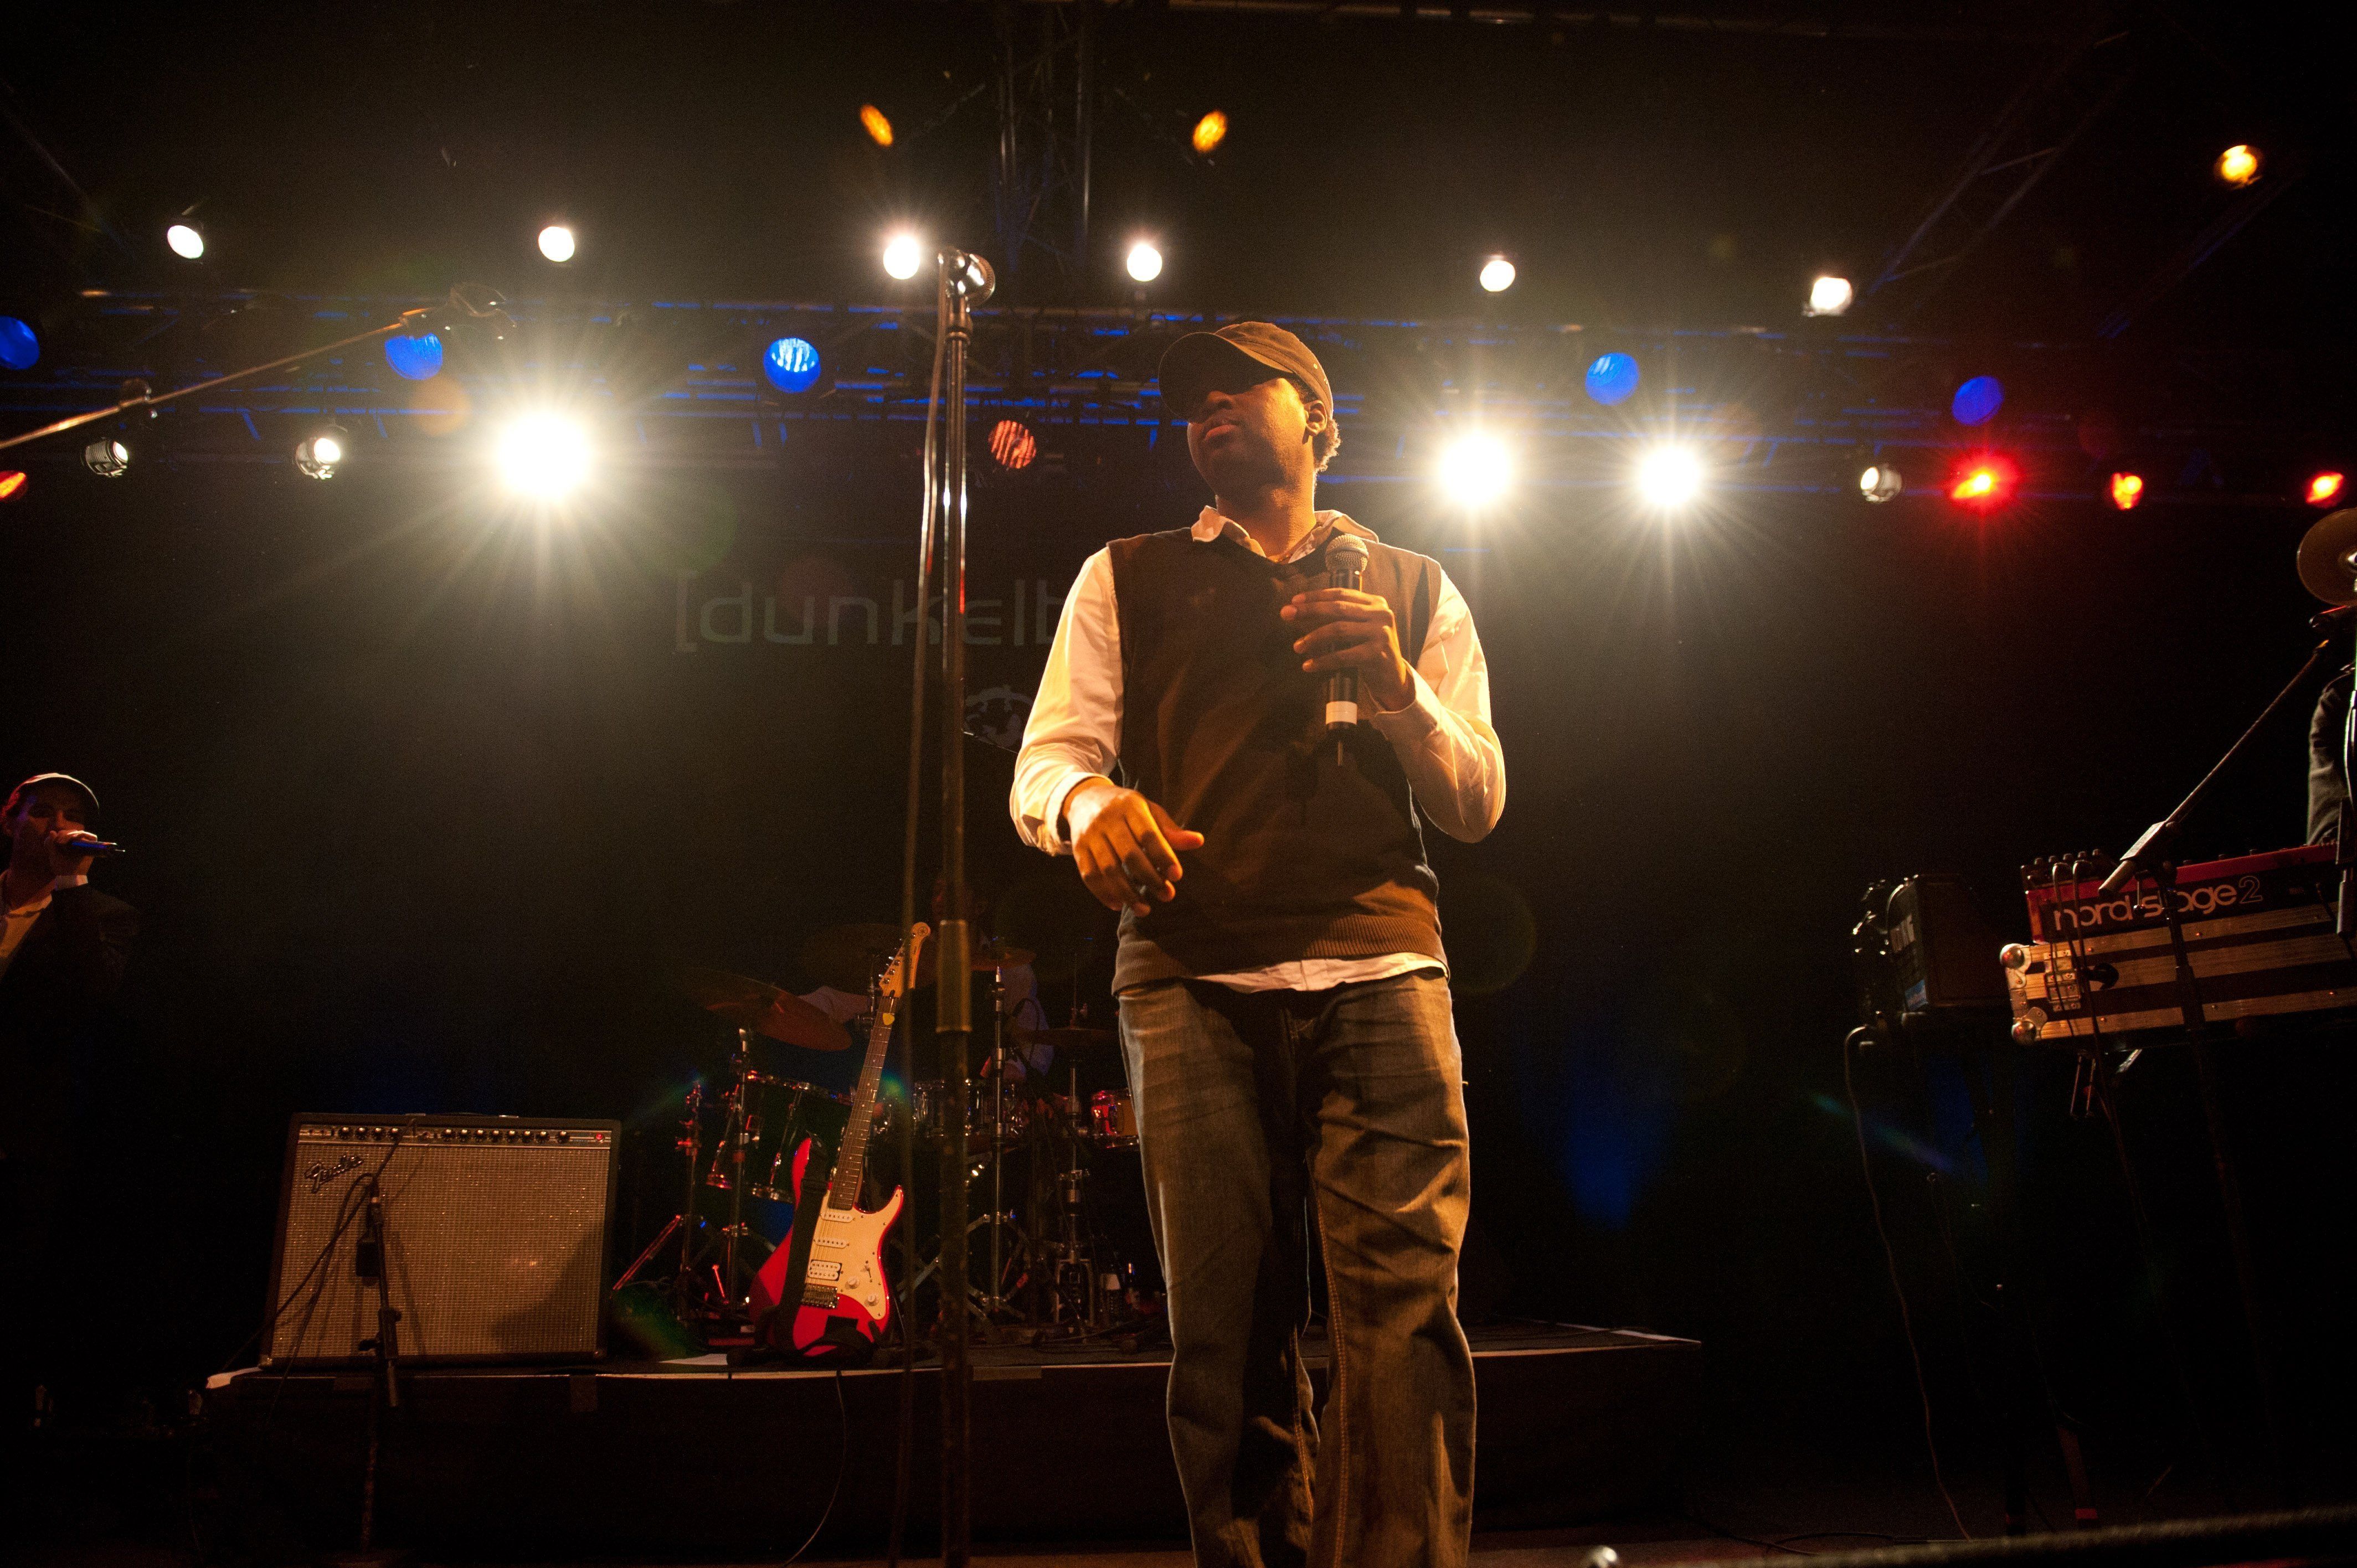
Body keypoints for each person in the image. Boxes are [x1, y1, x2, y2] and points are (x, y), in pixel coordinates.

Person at [1011, 322, 1506, 1568]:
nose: (1210, 407)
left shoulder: (1415, 585)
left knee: (1404, 1323)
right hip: (1191, 972)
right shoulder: (1126, 573)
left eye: (1241, 385)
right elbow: (1047, 761)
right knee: (1225, 1335)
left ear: (1320, 420)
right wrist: (1091, 806)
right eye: (1193, 399)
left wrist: (1397, 689)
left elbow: (1478, 799)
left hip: (1383, 966)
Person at [1, 773, 137, 1476]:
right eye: (43, 812)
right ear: (10, 819)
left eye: (73, 815)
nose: (58, 824)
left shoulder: (102, 913)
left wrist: (72, 883)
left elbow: (93, 993)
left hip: (26, 1138)